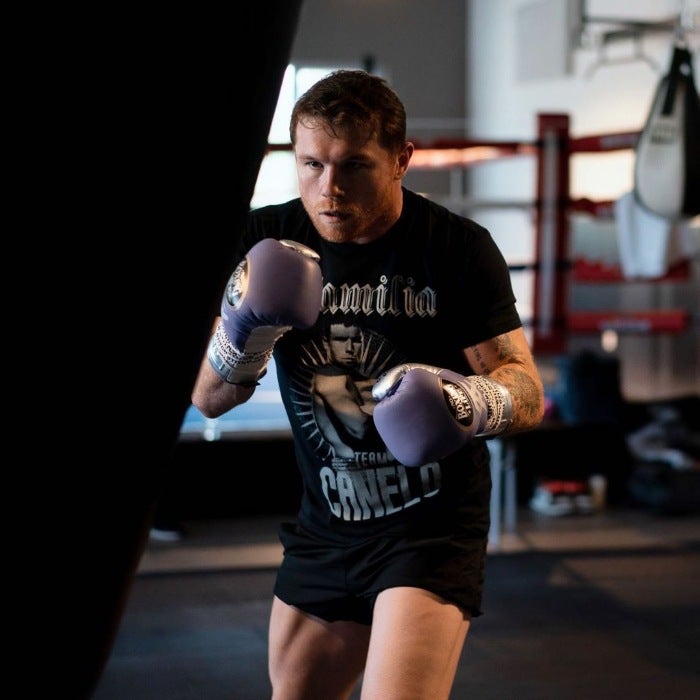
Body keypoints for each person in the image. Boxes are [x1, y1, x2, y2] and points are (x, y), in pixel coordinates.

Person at [191, 69, 544, 699]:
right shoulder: (268, 240)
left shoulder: (455, 249)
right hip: (326, 523)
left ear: (402, 159)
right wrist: (249, 330)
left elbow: (526, 390)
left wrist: (465, 402)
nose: (329, 189)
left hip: (427, 532)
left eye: (354, 166)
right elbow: (210, 398)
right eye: (311, 165)